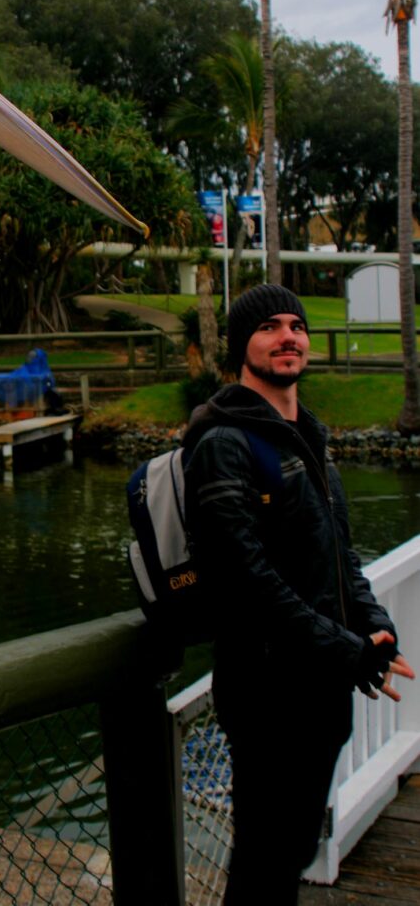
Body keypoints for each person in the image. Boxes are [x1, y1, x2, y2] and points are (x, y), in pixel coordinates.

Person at [182, 284, 414, 905]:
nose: (289, 336)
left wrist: (370, 623)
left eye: (297, 326)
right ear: (241, 348)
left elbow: (340, 559)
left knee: (292, 851)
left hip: (320, 691)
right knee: (263, 859)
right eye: (269, 327)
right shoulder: (222, 445)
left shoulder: (309, 442)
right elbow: (247, 583)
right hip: (266, 696)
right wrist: (345, 649)